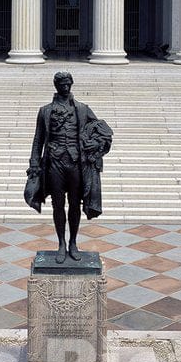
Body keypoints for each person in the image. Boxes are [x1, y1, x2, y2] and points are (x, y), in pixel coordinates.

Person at [25, 71, 112, 264]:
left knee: (74, 204)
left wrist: (95, 145)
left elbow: (101, 131)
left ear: (71, 85)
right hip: (54, 162)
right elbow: (38, 140)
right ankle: (61, 243)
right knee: (58, 205)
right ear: (56, 86)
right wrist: (34, 164)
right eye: (61, 84)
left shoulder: (82, 108)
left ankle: (73, 242)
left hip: (76, 163)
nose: (65, 88)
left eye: (68, 84)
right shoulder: (45, 111)